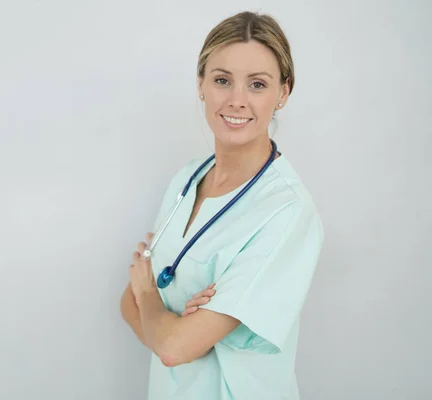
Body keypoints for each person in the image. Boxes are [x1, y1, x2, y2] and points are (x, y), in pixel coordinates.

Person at [120, 10, 324, 400]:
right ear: (201, 84)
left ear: (284, 92)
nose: (236, 100)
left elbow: (171, 344)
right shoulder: (186, 180)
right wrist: (173, 326)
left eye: (258, 84)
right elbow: (125, 305)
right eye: (222, 80)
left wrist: (149, 296)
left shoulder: (286, 213)